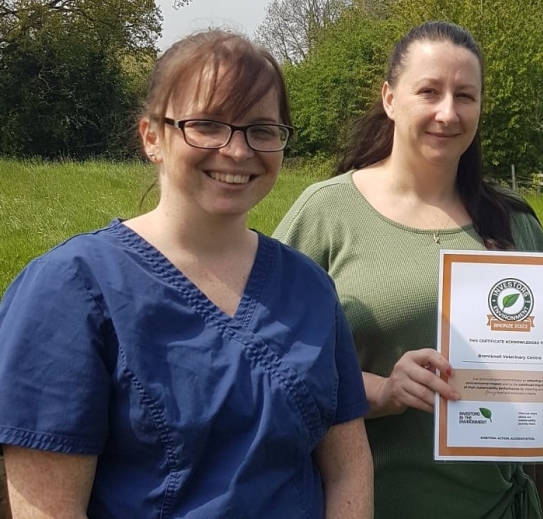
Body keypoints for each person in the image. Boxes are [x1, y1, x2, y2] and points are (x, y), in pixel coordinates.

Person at [0, 30, 372, 518]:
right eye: (208, 125)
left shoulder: (309, 288)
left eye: (261, 129)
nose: (237, 151)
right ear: (152, 137)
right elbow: (46, 508)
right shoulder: (69, 288)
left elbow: (348, 468)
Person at [275, 20, 543, 519]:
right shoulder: (326, 213)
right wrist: (380, 391)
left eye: (465, 96)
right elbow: (267, 357)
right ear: (389, 98)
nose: (448, 113)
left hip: (497, 507)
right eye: (429, 91)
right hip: (365, 504)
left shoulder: (514, 222)